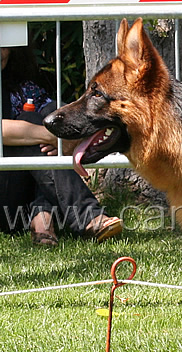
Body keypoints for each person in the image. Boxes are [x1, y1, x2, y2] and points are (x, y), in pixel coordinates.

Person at [1, 45, 122, 246]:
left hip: (15, 199)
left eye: (4, 45)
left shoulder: (21, 88)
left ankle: (42, 219)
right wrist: (52, 137)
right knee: (35, 133)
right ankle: (84, 217)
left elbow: (59, 116)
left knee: (40, 117)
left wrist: (63, 139)